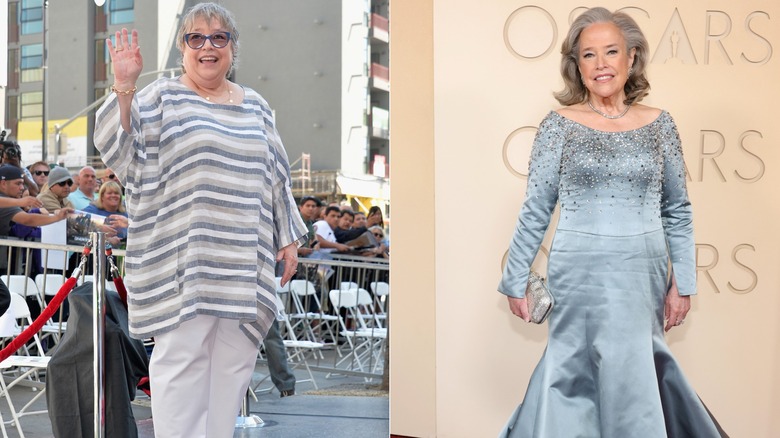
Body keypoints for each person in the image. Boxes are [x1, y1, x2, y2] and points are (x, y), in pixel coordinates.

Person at [497, 8, 727, 438]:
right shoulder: (557, 126)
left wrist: (684, 283)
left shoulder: (660, 124)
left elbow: (677, 209)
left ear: (632, 58)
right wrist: (514, 280)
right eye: (588, 55)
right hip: (578, 274)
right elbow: (536, 209)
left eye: (611, 52)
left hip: (643, 273)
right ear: (577, 67)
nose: (601, 64)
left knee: (633, 372)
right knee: (571, 373)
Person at [92, 3, 308, 437]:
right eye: (196, 38)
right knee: (181, 365)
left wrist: (288, 239)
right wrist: (124, 86)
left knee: (233, 367)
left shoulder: (257, 107)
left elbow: (277, 177)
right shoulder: (162, 96)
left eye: (218, 37)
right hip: (182, 261)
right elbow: (120, 148)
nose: (207, 46)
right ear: (182, 48)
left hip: (242, 263)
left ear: (232, 48)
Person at [0, 164, 71, 236]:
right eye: (18, 183)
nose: (22, 187)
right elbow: (27, 220)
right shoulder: (5, 203)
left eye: (22, 183)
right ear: (3, 184)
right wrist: (57, 217)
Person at [82, 181, 127, 248]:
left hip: (120, 255)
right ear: (102, 196)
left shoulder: (125, 214)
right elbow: (76, 223)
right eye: (109, 193)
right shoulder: (92, 210)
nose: (113, 195)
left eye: (116, 193)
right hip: (94, 254)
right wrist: (99, 228)